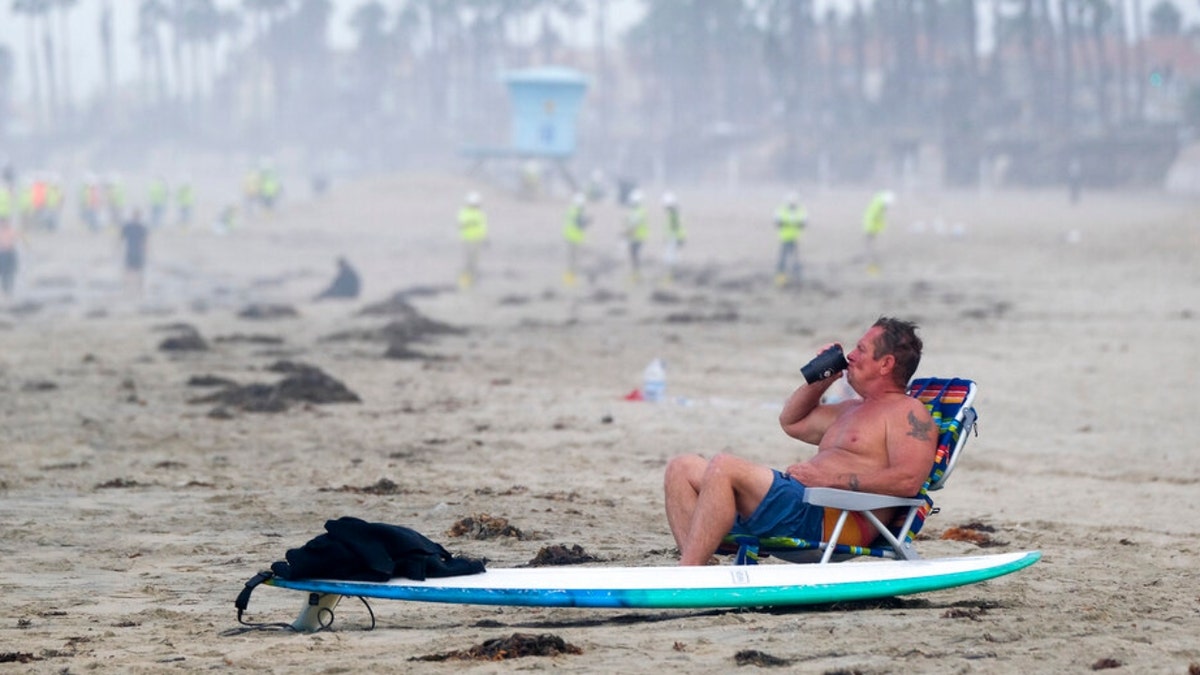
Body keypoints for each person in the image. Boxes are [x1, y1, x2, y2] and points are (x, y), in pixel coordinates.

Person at [663, 317, 936, 566]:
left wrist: (831, 481)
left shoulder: (907, 412)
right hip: (802, 505)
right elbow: (791, 421)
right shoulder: (850, 409)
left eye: (861, 350)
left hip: (833, 518)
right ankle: (700, 566)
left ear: (886, 364)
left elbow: (908, 481)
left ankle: (688, 571)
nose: (850, 356)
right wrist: (823, 377)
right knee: (681, 467)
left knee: (724, 466)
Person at [774, 192, 806, 286]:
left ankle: (797, 278)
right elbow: (777, 222)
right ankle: (781, 279)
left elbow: (804, 222)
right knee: (783, 259)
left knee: (795, 259)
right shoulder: (782, 210)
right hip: (785, 238)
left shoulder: (800, 210)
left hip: (795, 238)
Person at [457, 191, 488, 289]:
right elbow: (461, 224)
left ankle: (473, 281)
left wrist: (484, 238)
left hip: (477, 240)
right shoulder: (464, 212)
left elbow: (482, 227)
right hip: (468, 239)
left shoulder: (479, 213)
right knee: (468, 262)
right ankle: (465, 282)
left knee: (474, 262)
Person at [861, 190, 894, 276]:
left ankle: (871, 258)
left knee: (870, 244)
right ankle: (870, 261)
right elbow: (874, 217)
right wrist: (876, 228)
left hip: (871, 227)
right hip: (871, 228)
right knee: (870, 244)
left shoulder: (878, 203)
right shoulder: (878, 206)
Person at [120, 208, 149, 296]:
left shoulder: (130, 227)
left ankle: (133, 290)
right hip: (135, 252)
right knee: (134, 272)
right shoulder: (140, 227)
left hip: (134, 252)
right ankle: (133, 290)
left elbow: (145, 242)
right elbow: (145, 242)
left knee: (133, 272)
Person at [563, 192, 589, 286]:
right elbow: (580, 224)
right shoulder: (578, 212)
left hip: (569, 236)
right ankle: (571, 278)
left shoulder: (571, 209)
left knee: (571, 258)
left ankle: (569, 277)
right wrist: (587, 221)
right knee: (574, 259)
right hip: (575, 238)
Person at [623, 189, 649, 283]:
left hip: (636, 238)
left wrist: (626, 233)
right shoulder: (637, 210)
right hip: (636, 237)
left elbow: (634, 225)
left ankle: (636, 275)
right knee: (634, 256)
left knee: (634, 256)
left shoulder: (638, 211)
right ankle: (636, 274)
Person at [661, 192, 685, 283]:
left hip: (674, 239)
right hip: (675, 238)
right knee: (672, 257)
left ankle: (670, 277)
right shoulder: (674, 213)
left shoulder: (674, 214)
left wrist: (670, 238)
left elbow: (675, 228)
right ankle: (672, 276)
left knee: (670, 258)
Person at [0, 216, 21, 297]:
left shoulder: (11, 230)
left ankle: (9, 289)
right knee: (4, 273)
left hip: (10, 253)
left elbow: (18, 238)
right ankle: (5, 290)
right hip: (2, 254)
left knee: (11, 272)